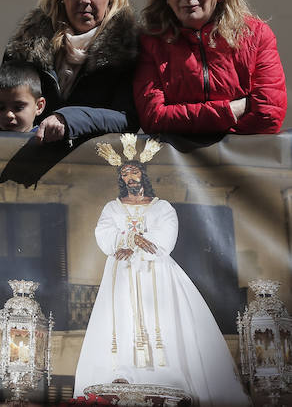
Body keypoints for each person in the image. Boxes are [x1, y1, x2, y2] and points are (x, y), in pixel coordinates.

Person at [73, 150, 249, 406]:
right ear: (121, 179)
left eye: (134, 171)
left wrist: (144, 241)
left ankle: (166, 376)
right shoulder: (112, 207)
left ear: (143, 175)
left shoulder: (162, 206)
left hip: (155, 270)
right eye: (125, 173)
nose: (130, 177)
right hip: (121, 272)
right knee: (122, 317)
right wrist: (128, 240)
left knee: (162, 318)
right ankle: (122, 373)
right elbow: (104, 232)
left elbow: (165, 236)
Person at [134, 0, 286, 134]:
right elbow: (153, 119)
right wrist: (232, 110)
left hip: (241, 163)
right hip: (179, 164)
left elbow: (268, 116)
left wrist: (189, 126)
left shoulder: (256, 36)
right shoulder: (151, 43)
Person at [3, 0, 139, 143]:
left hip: (93, 171)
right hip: (28, 168)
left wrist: (69, 118)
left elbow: (128, 118)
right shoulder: (24, 48)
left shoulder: (130, 51)